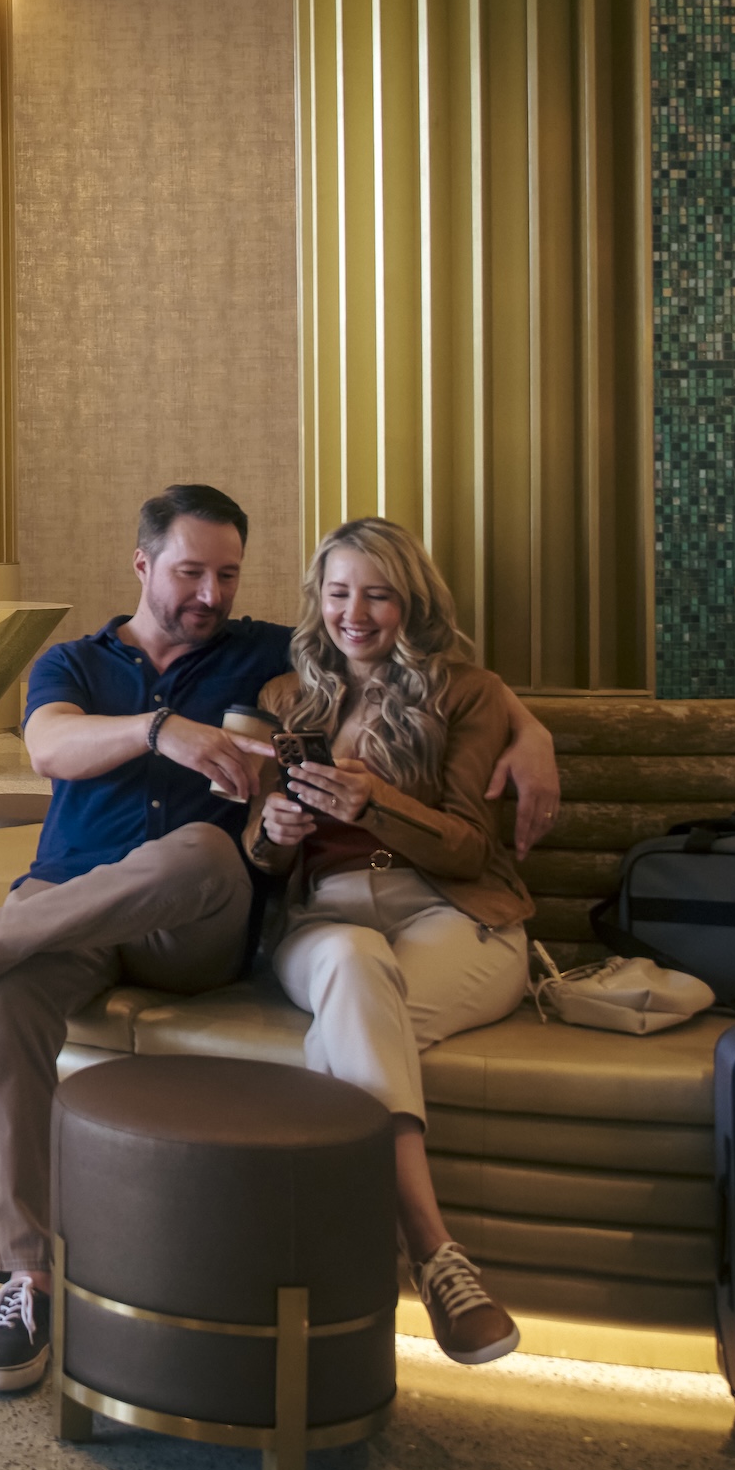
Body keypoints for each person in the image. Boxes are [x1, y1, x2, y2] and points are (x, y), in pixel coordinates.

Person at [0, 483, 564, 1395]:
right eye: (190, 572)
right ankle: (27, 1278)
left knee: (203, 853)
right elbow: (49, 748)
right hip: (74, 904)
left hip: (200, 925)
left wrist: (529, 729)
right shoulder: (73, 662)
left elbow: (398, 673)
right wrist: (158, 731)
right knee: (12, 995)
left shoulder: (267, 656)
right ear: (142, 565)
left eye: (227, 575)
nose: (210, 595)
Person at [245, 518, 533, 1364]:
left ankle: (371, 1260)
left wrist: (374, 803)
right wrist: (276, 825)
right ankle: (437, 1254)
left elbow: (471, 847)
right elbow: (256, 853)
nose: (355, 613)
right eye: (338, 593)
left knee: (360, 1017)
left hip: (454, 913)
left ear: (412, 602)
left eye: (377, 594)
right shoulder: (286, 699)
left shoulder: (467, 693)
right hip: (326, 914)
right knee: (351, 962)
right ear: (317, 600)